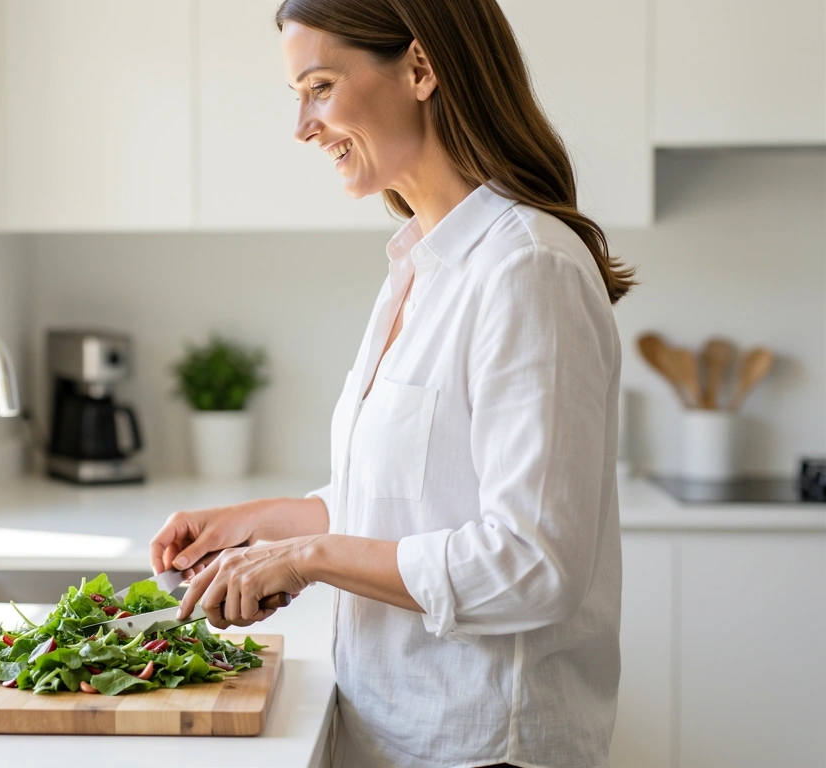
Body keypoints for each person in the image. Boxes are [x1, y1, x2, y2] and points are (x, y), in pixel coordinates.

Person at [149, 1, 637, 766]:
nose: (303, 127)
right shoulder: (420, 264)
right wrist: (261, 526)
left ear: (420, 68)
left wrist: (307, 559)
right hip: (393, 733)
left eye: (320, 87)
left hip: (482, 748)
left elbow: (533, 564)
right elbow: (412, 502)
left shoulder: (526, 268)